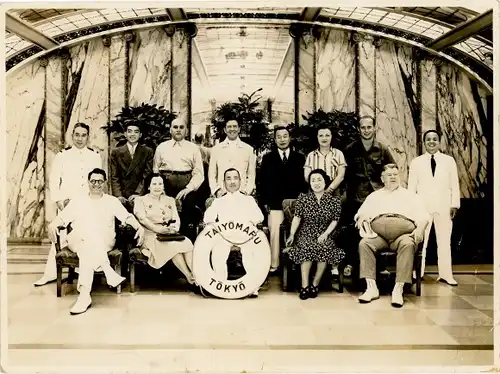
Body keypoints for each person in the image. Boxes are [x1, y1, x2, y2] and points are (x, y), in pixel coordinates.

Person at [47, 168, 145, 315]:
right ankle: (107, 270)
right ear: (88, 182)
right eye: (93, 181)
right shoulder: (78, 200)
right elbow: (62, 218)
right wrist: (52, 224)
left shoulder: (112, 201)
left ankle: (84, 296)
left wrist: (140, 227)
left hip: (103, 240)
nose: (96, 184)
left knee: (88, 245)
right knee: (87, 236)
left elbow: (127, 217)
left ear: (105, 183)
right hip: (76, 240)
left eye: (100, 181)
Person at [34, 123, 102, 287]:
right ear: (72, 136)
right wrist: (59, 201)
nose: (80, 139)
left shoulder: (95, 156)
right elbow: (54, 180)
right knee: (59, 237)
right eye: (77, 135)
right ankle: (50, 274)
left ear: (88, 136)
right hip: (66, 203)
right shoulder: (62, 156)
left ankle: (83, 272)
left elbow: (98, 180)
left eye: (83, 135)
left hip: (86, 203)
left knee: (84, 235)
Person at [356, 164, 430, 308]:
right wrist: (362, 218)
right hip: (378, 235)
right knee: (364, 244)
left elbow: (423, 216)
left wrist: (420, 228)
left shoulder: (410, 195)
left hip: (403, 235)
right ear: (382, 178)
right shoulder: (374, 195)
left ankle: (398, 289)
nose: (393, 177)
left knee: (408, 244)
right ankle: (371, 287)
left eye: (395, 174)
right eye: (389, 175)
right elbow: (361, 213)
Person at [341, 115, 396, 278]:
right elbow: (344, 175)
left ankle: (378, 268)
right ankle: (352, 265)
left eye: (369, 127)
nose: (366, 130)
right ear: (359, 129)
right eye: (363, 127)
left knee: (377, 232)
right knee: (354, 232)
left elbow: (392, 170)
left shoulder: (383, 149)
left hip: (377, 199)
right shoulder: (350, 149)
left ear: (374, 128)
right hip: (355, 198)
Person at [408, 130, 460, 286]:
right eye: (428, 139)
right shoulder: (416, 162)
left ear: (439, 142)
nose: (431, 142)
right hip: (422, 207)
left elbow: (454, 184)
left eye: (434, 139)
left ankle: (446, 274)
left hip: (444, 206)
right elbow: (412, 186)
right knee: (420, 241)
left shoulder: (449, 161)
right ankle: (417, 273)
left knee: (444, 241)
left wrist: (454, 204)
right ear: (424, 142)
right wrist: (412, 207)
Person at [203, 168, 264, 297]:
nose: (232, 182)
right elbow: (208, 219)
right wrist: (213, 226)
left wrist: (248, 224)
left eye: (235, 178)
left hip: (244, 237)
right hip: (225, 237)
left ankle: (252, 286)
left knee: (250, 252)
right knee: (218, 252)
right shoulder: (218, 201)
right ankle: (221, 286)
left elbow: (259, 217)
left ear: (240, 181)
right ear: (224, 182)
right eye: (228, 179)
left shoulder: (249, 200)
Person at [285, 169, 344, 300]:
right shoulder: (303, 199)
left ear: (325, 181)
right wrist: (292, 234)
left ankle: (315, 284)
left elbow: (335, 220)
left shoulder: (334, 201)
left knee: (324, 247)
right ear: (309, 183)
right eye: (313, 180)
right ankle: (304, 286)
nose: (316, 183)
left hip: (325, 232)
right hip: (306, 232)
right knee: (307, 248)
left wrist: (326, 234)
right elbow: (297, 218)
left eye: (319, 180)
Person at [133, 173, 195, 285]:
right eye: (154, 184)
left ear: (163, 186)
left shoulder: (170, 200)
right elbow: (142, 220)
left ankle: (196, 274)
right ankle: (189, 276)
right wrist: (158, 229)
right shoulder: (140, 200)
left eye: (160, 184)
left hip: (169, 234)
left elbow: (176, 218)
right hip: (150, 235)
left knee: (187, 243)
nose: (157, 187)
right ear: (148, 186)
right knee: (173, 247)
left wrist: (174, 229)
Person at [260, 125, 306, 273]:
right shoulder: (268, 158)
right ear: (275, 139)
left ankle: (298, 263)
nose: (282, 139)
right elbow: (262, 182)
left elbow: (304, 183)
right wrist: (265, 202)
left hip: (295, 203)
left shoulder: (299, 158)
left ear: (290, 138)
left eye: (285, 136)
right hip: (274, 203)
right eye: (278, 137)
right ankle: (275, 264)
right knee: (274, 231)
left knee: (298, 231)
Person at [304, 125, 347, 279]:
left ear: (331, 137)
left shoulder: (338, 154)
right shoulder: (311, 156)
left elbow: (341, 175)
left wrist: (329, 189)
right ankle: (315, 262)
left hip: (333, 192)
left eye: (327, 135)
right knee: (315, 225)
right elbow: (306, 175)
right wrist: (317, 188)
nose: (324, 138)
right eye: (321, 135)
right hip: (314, 193)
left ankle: (334, 266)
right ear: (317, 137)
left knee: (334, 226)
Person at [153, 118, 204, 240]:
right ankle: (166, 239)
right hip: (166, 183)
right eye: (175, 127)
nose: (178, 130)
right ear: (170, 130)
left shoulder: (193, 148)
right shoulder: (161, 147)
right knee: (164, 206)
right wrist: (160, 188)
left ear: (186, 131)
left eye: (182, 127)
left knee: (189, 206)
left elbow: (199, 173)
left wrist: (188, 188)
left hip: (186, 184)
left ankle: (186, 240)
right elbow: (156, 170)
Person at [109, 123, 154, 211]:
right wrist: (118, 195)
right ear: (125, 134)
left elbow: (146, 175)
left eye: (136, 132)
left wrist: (138, 194)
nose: (132, 134)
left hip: (140, 194)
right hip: (122, 195)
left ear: (140, 135)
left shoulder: (147, 151)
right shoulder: (116, 152)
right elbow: (114, 176)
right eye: (129, 132)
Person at [208, 119, 256, 198]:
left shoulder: (248, 149)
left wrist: (247, 191)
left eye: (235, 126)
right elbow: (212, 174)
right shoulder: (216, 149)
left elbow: (251, 175)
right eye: (229, 127)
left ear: (239, 129)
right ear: (225, 130)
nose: (232, 129)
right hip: (222, 193)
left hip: (242, 193)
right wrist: (216, 190)